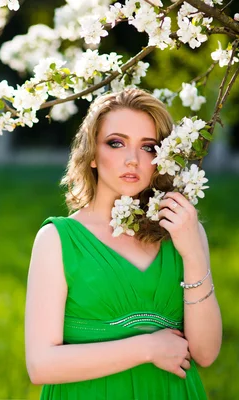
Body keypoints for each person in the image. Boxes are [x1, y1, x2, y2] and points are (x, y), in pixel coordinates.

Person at [24, 88, 222, 399]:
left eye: (148, 147)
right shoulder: (57, 240)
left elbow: (206, 353)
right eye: (116, 143)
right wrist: (147, 348)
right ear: (91, 154)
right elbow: (40, 365)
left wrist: (193, 252)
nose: (133, 160)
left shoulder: (183, 232)